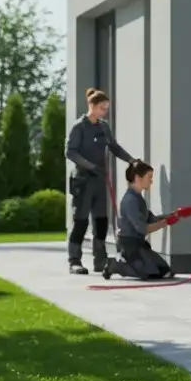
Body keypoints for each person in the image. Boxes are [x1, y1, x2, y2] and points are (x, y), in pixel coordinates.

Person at [66, 88, 135, 275]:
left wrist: (131, 160)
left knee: (101, 221)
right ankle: (74, 261)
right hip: (82, 181)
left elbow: (113, 146)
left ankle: (100, 260)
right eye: (103, 108)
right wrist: (90, 166)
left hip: (99, 181)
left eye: (106, 108)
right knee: (80, 221)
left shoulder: (103, 127)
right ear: (93, 106)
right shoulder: (79, 127)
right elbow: (70, 152)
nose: (105, 112)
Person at [102, 159, 191, 281]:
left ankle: (139, 263)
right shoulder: (130, 201)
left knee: (165, 271)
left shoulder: (138, 199)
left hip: (139, 244)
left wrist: (173, 215)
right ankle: (116, 264)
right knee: (146, 274)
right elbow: (142, 228)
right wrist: (166, 223)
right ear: (138, 178)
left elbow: (151, 219)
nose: (151, 181)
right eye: (149, 177)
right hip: (129, 245)